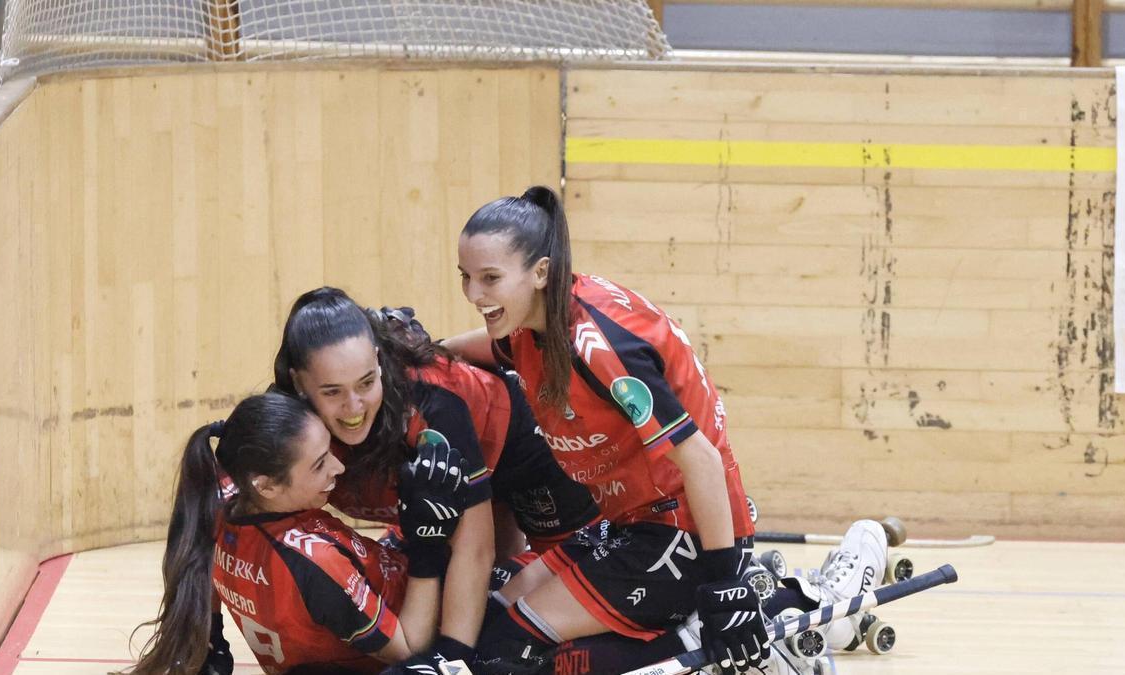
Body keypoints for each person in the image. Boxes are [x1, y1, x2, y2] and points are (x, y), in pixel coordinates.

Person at [444, 186, 769, 675]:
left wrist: (726, 588)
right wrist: (427, 349)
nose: (474, 295)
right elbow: (495, 349)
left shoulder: (598, 350)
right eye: (466, 278)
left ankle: (713, 631)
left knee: (503, 652)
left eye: (490, 278)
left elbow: (702, 458)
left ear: (540, 272)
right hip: (630, 524)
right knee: (490, 612)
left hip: (686, 533)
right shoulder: (535, 325)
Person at [272, 288, 600, 670]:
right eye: (332, 392)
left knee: (558, 599)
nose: (353, 408)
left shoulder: (431, 404)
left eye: (366, 383)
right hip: (457, 477)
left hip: (519, 450)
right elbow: (230, 511)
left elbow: (476, 551)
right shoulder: (282, 423)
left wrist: (452, 658)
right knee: (457, 597)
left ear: (378, 361)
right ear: (298, 384)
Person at [129, 392, 468, 675]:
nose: (339, 467)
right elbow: (410, 649)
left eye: (329, 451)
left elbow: (197, 564)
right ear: (267, 486)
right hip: (415, 622)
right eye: (320, 464)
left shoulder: (221, 500)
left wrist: (209, 641)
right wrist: (429, 546)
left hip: (362, 599)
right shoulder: (314, 564)